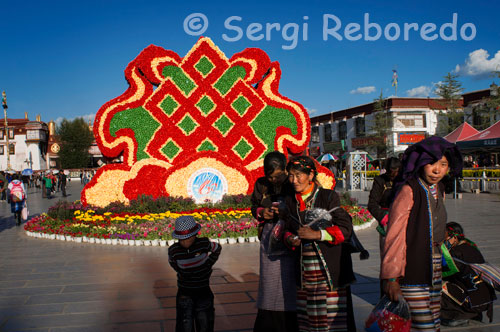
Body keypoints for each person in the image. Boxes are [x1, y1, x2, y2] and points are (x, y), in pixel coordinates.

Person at [381, 136, 463, 331]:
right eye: (431, 163)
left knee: (433, 321)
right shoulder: (409, 190)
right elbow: (395, 235)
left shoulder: (439, 188)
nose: (437, 170)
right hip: (412, 268)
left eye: (443, 164)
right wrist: (391, 277)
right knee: (423, 324)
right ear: (420, 163)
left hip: (434, 268)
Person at [283, 156, 356, 332]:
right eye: (291, 176)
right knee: (309, 317)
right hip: (305, 271)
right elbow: (287, 228)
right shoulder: (291, 201)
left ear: (311, 175)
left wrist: (317, 234)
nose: (294, 180)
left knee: (331, 319)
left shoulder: (328, 197)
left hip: (329, 270)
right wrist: (290, 239)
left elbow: (345, 229)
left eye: (298, 175)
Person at [251, 151, 297, 332]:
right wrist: (262, 212)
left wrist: (286, 213)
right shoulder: (261, 185)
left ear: (285, 170)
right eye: (270, 177)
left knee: (289, 282)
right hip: (269, 238)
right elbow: (254, 206)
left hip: (289, 236)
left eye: (278, 176)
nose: (274, 180)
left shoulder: (292, 182)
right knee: (269, 282)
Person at [168, 215, 221, 332]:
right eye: (182, 239)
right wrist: (182, 271)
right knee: (185, 323)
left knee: (204, 322)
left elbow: (217, 248)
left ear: (195, 235)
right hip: (184, 293)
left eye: (188, 238)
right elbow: (172, 261)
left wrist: (208, 264)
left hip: (203, 291)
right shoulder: (174, 250)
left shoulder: (203, 243)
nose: (185, 241)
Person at [440, 222, 497, 327]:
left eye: (445, 238)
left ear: (454, 237)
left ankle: (459, 315)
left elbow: (445, 273)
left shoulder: (455, 253)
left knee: (439, 286)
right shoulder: (472, 247)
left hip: (474, 301)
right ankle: (471, 312)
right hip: (485, 300)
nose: (443, 242)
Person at [368, 157, 401, 297]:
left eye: (396, 171)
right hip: (387, 223)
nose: (393, 175)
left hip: (403, 221)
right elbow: (372, 204)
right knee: (388, 259)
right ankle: (385, 296)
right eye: (391, 172)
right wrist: (384, 218)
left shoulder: (405, 180)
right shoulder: (380, 181)